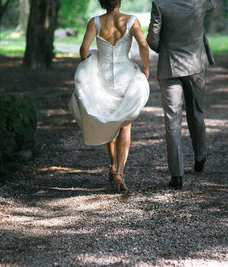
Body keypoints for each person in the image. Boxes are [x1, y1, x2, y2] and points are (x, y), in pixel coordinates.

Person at [69, 0, 150, 192]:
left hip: (102, 76)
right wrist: (146, 67)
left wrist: (88, 64)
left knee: (108, 119)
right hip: (125, 76)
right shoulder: (131, 21)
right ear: (119, 1)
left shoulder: (95, 22)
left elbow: (83, 49)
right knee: (125, 125)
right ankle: (119, 171)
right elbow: (143, 44)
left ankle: (113, 164)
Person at [147, 0, 216, 190]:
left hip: (170, 66)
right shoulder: (200, 2)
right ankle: (200, 158)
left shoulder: (160, 4)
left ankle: (177, 176)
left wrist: (167, 49)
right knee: (196, 112)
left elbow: (152, 39)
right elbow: (213, 5)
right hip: (196, 65)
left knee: (172, 121)